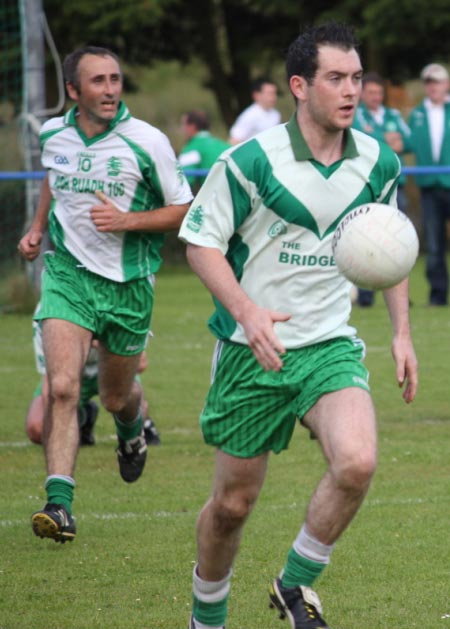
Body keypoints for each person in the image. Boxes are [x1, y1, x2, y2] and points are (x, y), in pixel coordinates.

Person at [179, 22, 418, 629]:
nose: (351, 91)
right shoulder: (250, 161)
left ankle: (295, 584)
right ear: (299, 86)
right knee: (233, 505)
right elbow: (200, 244)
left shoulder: (379, 161)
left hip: (329, 343)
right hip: (251, 349)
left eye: (357, 78)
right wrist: (247, 311)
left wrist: (401, 333)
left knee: (358, 462)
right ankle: (207, 615)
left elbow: (387, 247)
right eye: (335, 78)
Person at [18, 45, 192, 544]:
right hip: (67, 276)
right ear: (73, 90)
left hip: (128, 287)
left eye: (116, 79)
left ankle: (131, 429)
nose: (111, 89)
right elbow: (55, 177)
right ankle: (60, 503)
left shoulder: (147, 142)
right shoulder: (54, 133)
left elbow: (186, 210)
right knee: (63, 387)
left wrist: (127, 220)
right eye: (98, 81)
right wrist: (35, 229)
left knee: (117, 396)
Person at [26, 307, 161, 447]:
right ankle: (83, 416)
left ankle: (143, 424)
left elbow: (140, 364)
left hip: (111, 365)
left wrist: (107, 342)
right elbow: (50, 381)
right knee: (38, 428)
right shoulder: (47, 314)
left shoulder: (113, 298)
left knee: (131, 410)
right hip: (69, 374)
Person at [352, 71, 412, 306]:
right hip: (365, 185)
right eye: (371, 92)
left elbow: (408, 141)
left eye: (379, 92)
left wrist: (386, 139)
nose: (376, 96)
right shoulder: (355, 116)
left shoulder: (393, 115)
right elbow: (356, 140)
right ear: (362, 93)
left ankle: (397, 295)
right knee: (361, 239)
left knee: (397, 240)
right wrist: (386, 139)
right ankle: (365, 295)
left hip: (396, 186)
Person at [408, 63, 450, 306]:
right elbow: (406, 142)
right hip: (429, 187)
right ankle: (438, 296)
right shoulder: (417, 114)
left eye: (437, 81)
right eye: (429, 82)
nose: (432, 86)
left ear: (446, 84)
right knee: (434, 245)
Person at [178, 110, 230, 192]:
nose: (182, 129)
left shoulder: (191, 148)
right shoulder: (226, 145)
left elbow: (183, 181)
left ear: (192, 126)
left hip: (211, 198)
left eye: (184, 125)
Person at [228, 77, 281, 144]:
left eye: (275, 93)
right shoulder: (250, 115)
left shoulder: (276, 114)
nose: (273, 97)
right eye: (269, 93)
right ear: (257, 95)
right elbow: (234, 140)